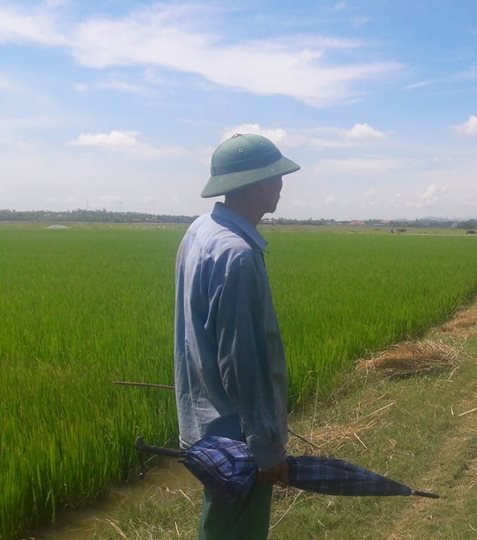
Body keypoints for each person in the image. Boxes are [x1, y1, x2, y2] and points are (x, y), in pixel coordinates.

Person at [174, 133, 300, 539]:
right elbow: (243, 362)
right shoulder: (237, 255)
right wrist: (265, 450)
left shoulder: (200, 230)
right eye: (276, 176)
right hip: (236, 437)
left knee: (220, 525)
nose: (281, 185)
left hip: (203, 424)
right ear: (258, 184)